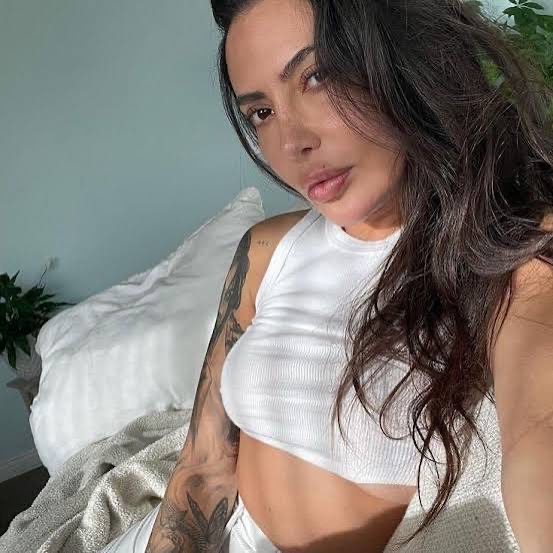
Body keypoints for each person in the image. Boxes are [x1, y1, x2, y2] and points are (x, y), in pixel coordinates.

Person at [141, 0, 553, 552]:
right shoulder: (266, 248)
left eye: (317, 77)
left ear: (403, 56)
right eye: (261, 112)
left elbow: (539, 427)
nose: (292, 143)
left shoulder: (512, 247)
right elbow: (204, 464)